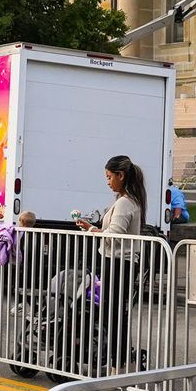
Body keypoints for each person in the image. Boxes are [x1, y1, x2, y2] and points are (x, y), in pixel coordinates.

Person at [78, 154, 148, 373]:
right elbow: (112, 232)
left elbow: (114, 235)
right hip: (118, 262)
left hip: (119, 264)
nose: (108, 181)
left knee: (114, 315)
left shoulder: (126, 203)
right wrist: (94, 228)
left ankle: (118, 367)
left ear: (121, 175)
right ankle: (124, 362)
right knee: (115, 314)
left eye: (109, 177)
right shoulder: (125, 201)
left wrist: (92, 231)